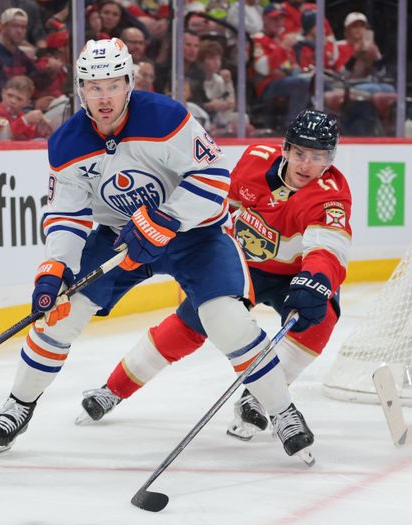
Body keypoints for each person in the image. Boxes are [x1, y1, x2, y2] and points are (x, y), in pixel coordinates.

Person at [0, 38, 313, 464]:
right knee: (60, 313)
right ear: (80, 89)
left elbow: (214, 180)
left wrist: (168, 218)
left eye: (112, 85)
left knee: (225, 319)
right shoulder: (66, 143)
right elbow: (67, 215)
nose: (103, 97)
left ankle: (283, 411)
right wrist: (55, 267)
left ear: (129, 83)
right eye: (93, 87)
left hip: (196, 236)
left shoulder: (166, 117)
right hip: (121, 236)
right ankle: (18, 406)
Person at [76, 110, 350, 460]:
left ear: (330, 159)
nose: (306, 164)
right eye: (299, 153)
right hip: (241, 263)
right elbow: (215, 208)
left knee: (320, 317)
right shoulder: (255, 161)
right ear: (285, 149)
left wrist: (316, 280)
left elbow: (328, 248)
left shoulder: (332, 194)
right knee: (187, 326)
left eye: (317, 157)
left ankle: (262, 397)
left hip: (293, 275)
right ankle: (112, 390)